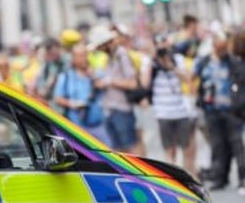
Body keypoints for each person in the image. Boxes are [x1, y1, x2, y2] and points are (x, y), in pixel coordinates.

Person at [195, 30, 245, 191]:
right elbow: (196, 80)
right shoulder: (205, 62)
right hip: (211, 110)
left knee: (237, 145)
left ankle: (242, 178)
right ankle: (220, 177)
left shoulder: (233, 61)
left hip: (231, 110)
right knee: (218, 146)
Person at [88, 24, 141, 153]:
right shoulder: (110, 58)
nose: (100, 50)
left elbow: (132, 83)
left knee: (130, 149)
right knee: (119, 150)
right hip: (110, 109)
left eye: (101, 46)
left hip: (121, 109)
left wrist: (108, 82)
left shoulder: (122, 56)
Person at [148, 40, 196, 174]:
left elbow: (188, 78)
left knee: (187, 148)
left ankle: (188, 178)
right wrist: (155, 61)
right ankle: (173, 180)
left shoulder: (177, 59)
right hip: (163, 113)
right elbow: (145, 83)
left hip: (180, 112)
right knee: (169, 150)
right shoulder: (152, 63)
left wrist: (171, 66)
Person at [53, 43, 109, 144]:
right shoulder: (66, 76)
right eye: (80, 56)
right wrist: (73, 104)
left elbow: (104, 85)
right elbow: (57, 98)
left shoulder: (96, 73)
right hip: (78, 128)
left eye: (85, 55)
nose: (84, 58)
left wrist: (92, 76)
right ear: (73, 58)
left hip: (99, 126)